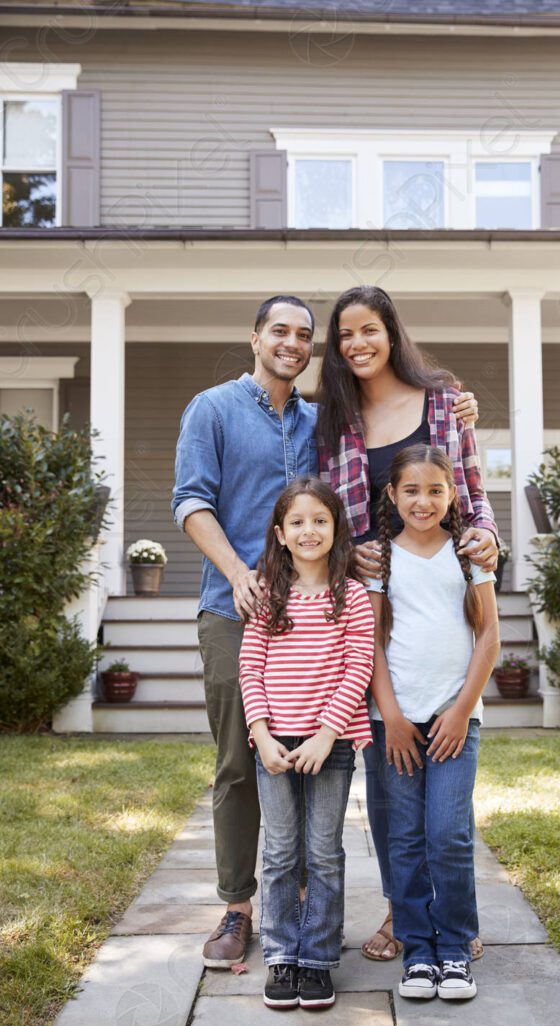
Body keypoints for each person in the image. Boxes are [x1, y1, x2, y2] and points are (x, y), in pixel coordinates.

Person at [171, 294, 479, 968]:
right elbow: (190, 500)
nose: (290, 341)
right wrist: (240, 573)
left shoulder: (324, 419)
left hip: (321, 615)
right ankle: (237, 906)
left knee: (321, 755)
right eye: (278, 329)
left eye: (303, 334)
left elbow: (381, 482)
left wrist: (457, 406)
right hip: (237, 607)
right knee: (241, 760)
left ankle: (305, 901)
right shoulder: (213, 409)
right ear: (254, 336)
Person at [315, 285, 498, 962]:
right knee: (390, 788)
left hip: (440, 605)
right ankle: (402, 912)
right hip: (369, 610)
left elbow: (473, 493)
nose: (358, 344)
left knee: (445, 808)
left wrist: (484, 542)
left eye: (369, 330)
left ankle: (453, 916)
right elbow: (327, 517)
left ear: (391, 332)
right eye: (345, 336)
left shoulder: (446, 400)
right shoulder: (333, 421)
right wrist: (345, 552)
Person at [366, 445, 500, 1000]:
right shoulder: (380, 558)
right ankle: (418, 951)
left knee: (448, 834)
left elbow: (489, 635)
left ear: (452, 496)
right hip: (394, 723)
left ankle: (455, 947)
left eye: (436, 490)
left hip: (454, 721)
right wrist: (391, 716)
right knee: (404, 838)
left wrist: (462, 709)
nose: (423, 501)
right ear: (392, 495)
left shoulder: (469, 555)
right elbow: (370, 643)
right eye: (412, 490)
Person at [239, 478, 374, 1009]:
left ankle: (316, 959)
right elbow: (250, 667)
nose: (309, 530)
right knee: (277, 853)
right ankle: (281, 956)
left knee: (322, 853)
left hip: (330, 745)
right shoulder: (268, 595)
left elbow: (357, 667)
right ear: (280, 533)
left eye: (320, 519)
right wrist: (260, 734)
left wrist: (326, 734)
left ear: (336, 527)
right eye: (297, 521)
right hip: (273, 742)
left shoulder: (353, 596)